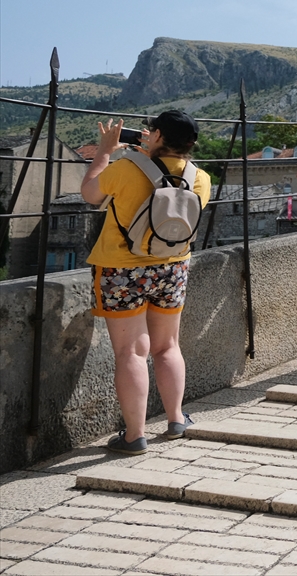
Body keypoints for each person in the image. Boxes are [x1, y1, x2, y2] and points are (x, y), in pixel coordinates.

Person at [80, 110, 211, 455]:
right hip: (172, 267)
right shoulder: (200, 178)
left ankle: (135, 436)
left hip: (121, 270)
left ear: (156, 136)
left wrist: (105, 151)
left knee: (131, 351)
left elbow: (90, 193)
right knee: (167, 347)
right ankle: (176, 419)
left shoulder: (126, 168)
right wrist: (150, 156)